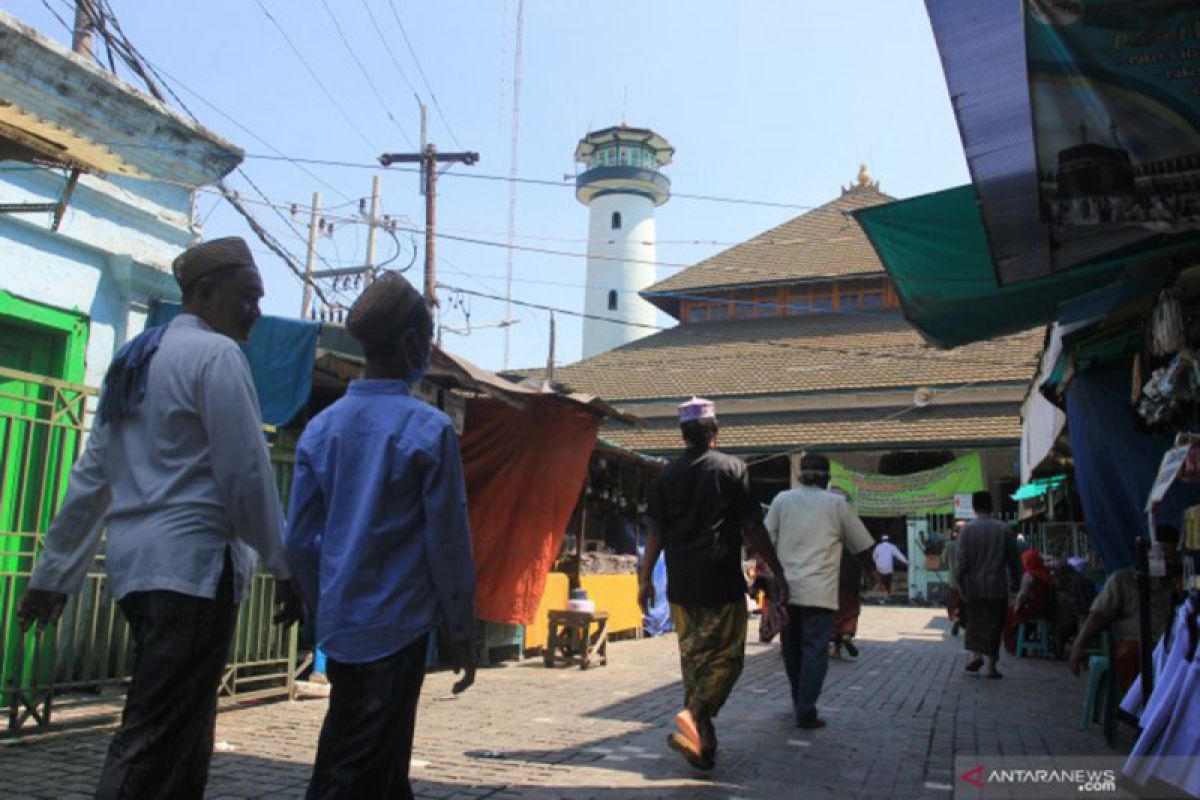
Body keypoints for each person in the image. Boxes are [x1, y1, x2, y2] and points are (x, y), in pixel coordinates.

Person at [16, 237, 303, 800]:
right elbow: (245, 474)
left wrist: (54, 576)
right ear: (203, 293)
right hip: (191, 573)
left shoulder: (135, 358)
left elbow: (91, 477)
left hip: (137, 570)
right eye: (246, 296)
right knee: (154, 733)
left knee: (187, 732)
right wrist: (285, 566)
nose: (256, 312)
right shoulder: (217, 356)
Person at [285, 273, 477, 799]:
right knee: (355, 768)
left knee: (373, 755)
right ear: (415, 342)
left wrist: (322, 600)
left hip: (343, 625)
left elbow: (300, 539)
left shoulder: (322, 429)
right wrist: (461, 625)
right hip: (399, 628)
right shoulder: (428, 429)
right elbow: (447, 542)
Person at [639, 397, 787, 770]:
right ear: (715, 432)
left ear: (683, 434)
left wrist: (644, 580)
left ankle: (702, 742)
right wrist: (776, 569)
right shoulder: (732, 468)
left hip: (682, 585)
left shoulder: (665, 476)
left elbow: (655, 533)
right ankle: (695, 713)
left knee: (695, 661)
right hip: (721, 580)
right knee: (730, 658)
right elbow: (753, 527)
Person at [764, 453, 877, 729]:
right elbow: (862, 546)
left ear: (802, 476)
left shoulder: (782, 500)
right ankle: (806, 707)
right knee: (815, 650)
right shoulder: (837, 504)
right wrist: (872, 574)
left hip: (788, 591)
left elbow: (765, 539)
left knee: (791, 649)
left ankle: (798, 701)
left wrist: (771, 575)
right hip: (820, 592)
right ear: (827, 478)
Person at [1068, 525, 1184, 692]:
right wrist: (1079, 645)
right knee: (1132, 655)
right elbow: (1099, 614)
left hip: (1171, 646)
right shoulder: (1124, 580)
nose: (1166, 562)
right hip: (1137, 645)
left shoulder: (1179, 584)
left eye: (1171, 558)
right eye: (1162, 556)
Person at [954, 491, 1022, 679]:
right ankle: (992, 666)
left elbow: (961, 564)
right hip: (997, 586)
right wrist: (1016, 585)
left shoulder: (967, 530)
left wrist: (962, 587)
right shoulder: (1004, 529)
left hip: (974, 587)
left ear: (974, 507)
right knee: (995, 625)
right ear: (992, 506)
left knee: (975, 623)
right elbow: (1014, 562)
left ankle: (976, 655)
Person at [828, 487, 863, 659]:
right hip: (851, 578)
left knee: (832, 613)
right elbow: (864, 552)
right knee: (850, 610)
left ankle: (834, 647)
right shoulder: (854, 527)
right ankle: (847, 634)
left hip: (829, 579)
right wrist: (872, 575)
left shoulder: (823, 527)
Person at [1005, 549, 1055, 654]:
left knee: (1009, 613)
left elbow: (1023, 594)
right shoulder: (1045, 573)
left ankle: (1013, 645)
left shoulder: (1029, 575)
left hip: (1032, 610)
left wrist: (1017, 605)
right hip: (1046, 609)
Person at [944, 520, 967, 636]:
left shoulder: (949, 544)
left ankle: (956, 619)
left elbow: (943, 560)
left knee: (953, 602)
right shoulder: (968, 544)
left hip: (953, 580)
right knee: (965, 602)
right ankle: (962, 621)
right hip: (966, 580)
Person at [872, 534, 908, 599]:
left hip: (879, 568)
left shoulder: (878, 547)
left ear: (881, 540)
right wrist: (907, 562)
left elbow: (874, 557)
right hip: (888, 569)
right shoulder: (891, 546)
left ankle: (882, 593)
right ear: (888, 540)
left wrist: (877, 564)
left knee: (881, 580)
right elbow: (899, 555)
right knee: (888, 582)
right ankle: (888, 594)